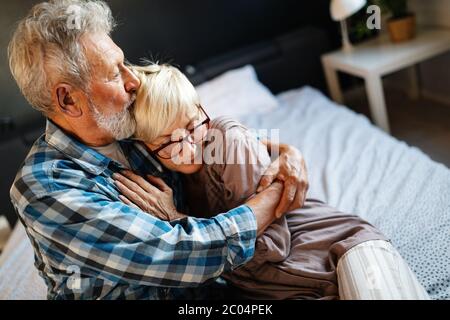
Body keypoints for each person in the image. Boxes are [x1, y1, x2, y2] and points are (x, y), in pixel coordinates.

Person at [7, 0, 307, 299]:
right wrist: (278, 192)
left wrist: (285, 152)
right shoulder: (46, 186)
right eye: (114, 73)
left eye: (124, 63)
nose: (133, 79)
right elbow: (185, 256)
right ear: (69, 100)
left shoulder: (125, 123)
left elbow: (208, 136)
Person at [113, 63, 430, 300]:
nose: (190, 145)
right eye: (169, 140)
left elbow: (271, 249)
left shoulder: (224, 138)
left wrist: (180, 225)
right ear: (148, 148)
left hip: (341, 249)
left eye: (192, 123)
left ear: (200, 109)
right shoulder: (172, 182)